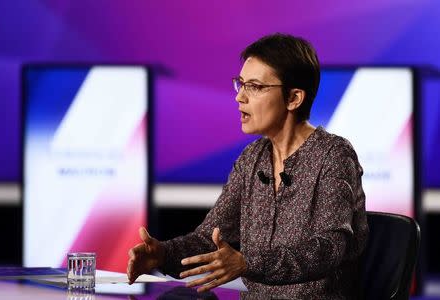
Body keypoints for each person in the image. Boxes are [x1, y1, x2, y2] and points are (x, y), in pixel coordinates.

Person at [127, 33, 368, 299]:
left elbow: (330, 247)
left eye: (254, 86)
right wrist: (162, 253)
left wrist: (247, 262)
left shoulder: (333, 155)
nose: (240, 97)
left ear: (294, 98)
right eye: (240, 84)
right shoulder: (252, 158)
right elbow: (210, 238)